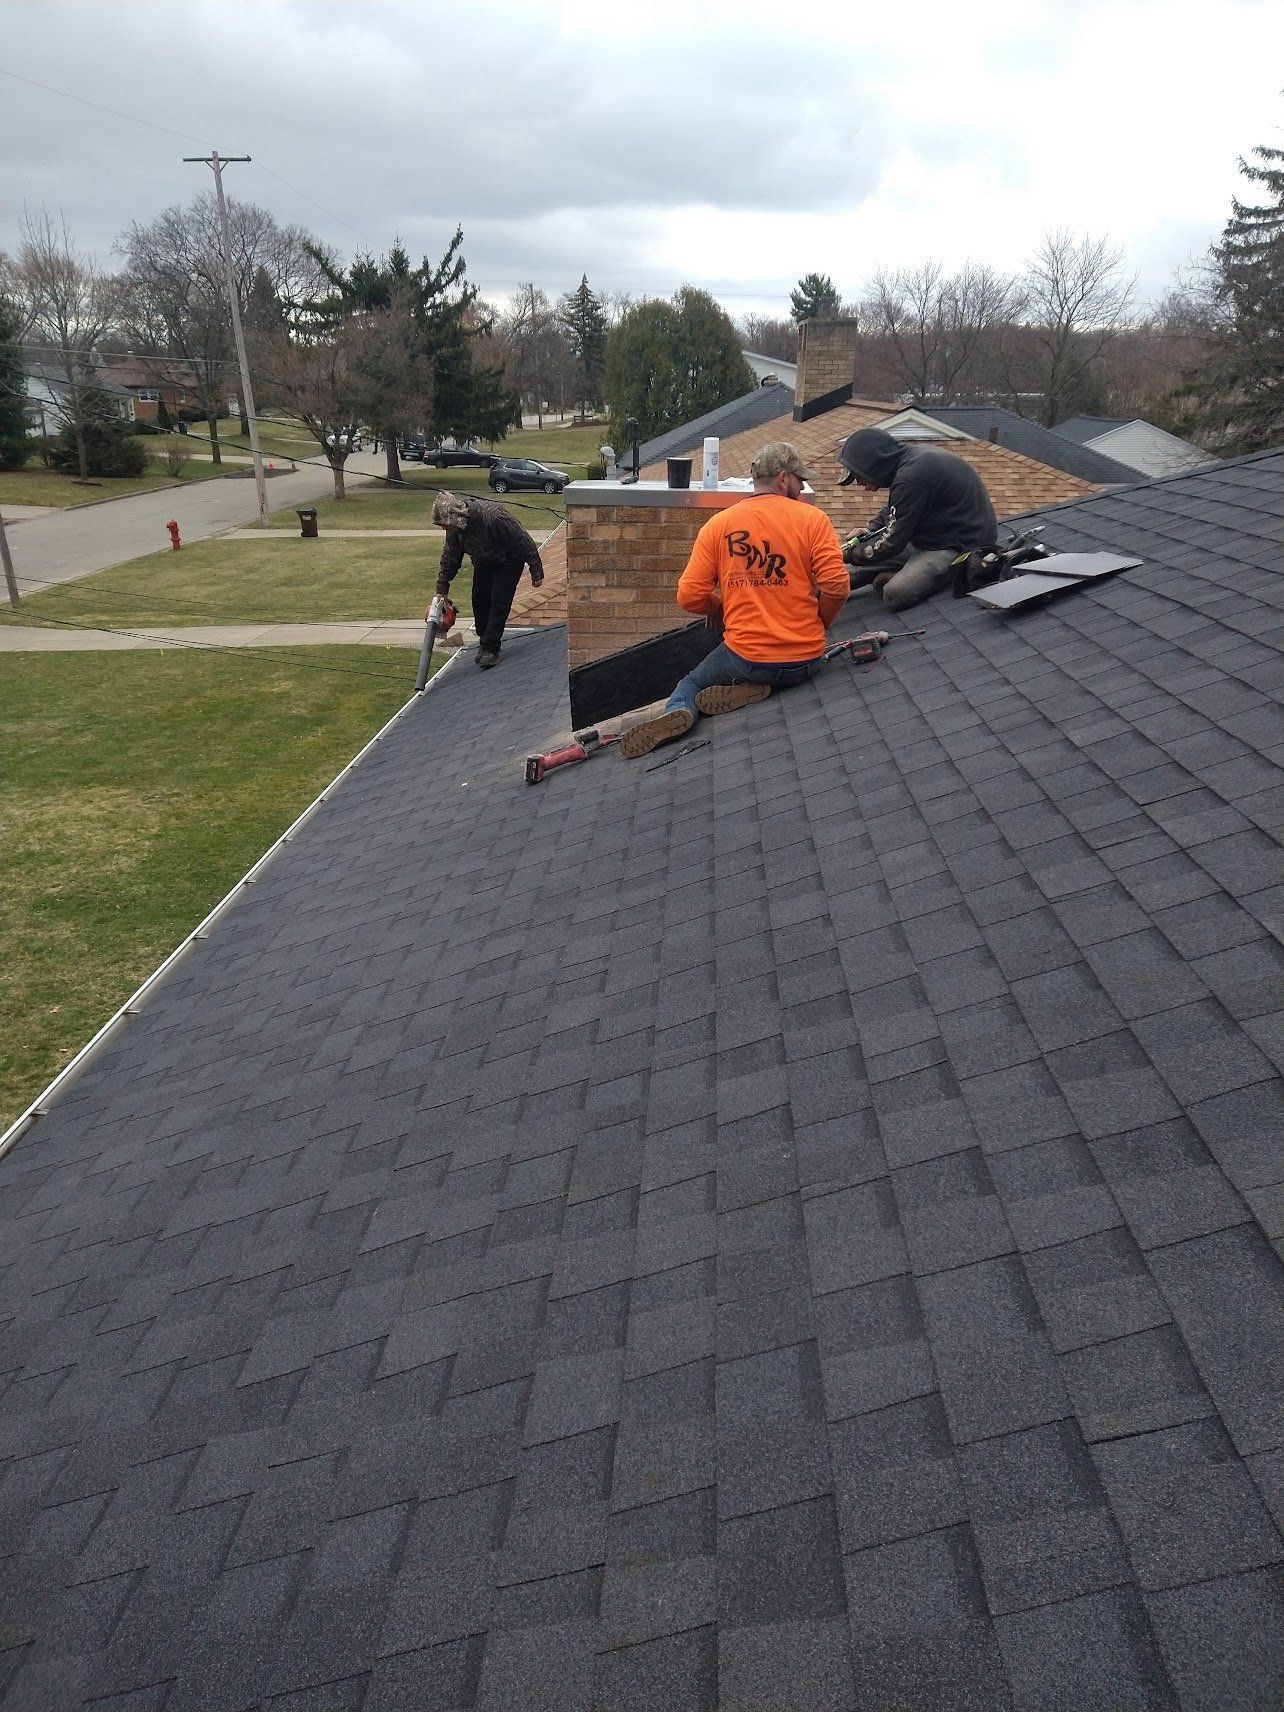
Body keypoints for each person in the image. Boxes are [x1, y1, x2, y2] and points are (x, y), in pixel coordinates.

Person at [621, 442, 849, 760]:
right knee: (784, 670)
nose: (802, 486)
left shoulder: (719, 526)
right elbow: (837, 587)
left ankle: (680, 711)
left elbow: (688, 595)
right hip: (806, 661)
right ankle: (757, 690)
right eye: (800, 480)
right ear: (784, 479)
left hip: (748, 660)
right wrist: (820, 624)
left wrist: (719, 607)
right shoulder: (813, 519)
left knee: (690, 684)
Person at [837, 427, 998, 612]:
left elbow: (891, 544)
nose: (862, 486)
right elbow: (896, 508)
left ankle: (924, 574)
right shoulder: (909, 462)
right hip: (931, 538)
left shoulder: (912, 476)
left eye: (860, 477)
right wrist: (871, 529)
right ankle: (905, 568)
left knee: (894, 593)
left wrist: (847, 554)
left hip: (962, 545)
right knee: (851, 574)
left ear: (873, 463)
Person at [431, 490, 545, 668]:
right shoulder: (455, 531)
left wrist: (536, 569)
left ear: (455, 517)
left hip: (509, 559)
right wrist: (442, 587)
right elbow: (450, 557)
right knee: (479, 599)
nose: (443, 529)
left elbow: (522, 539)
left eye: (443, 525)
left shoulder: (493, 517)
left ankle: (491, 647)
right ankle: (485, 642)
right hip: (484, 562)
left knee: (499, 598)